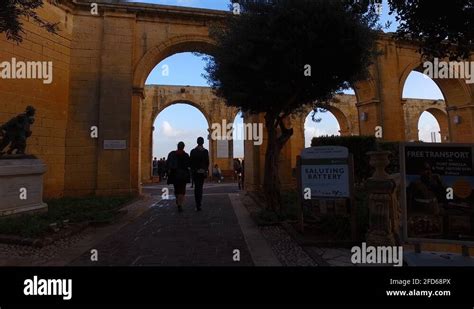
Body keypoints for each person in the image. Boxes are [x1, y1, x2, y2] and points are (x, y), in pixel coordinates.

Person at [167, 142, 191, 213]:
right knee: (182, 190)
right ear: (184, 147)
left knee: (176, 189)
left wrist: (169, 171)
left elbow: (168, 164)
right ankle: (180, 204)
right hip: (183, 175)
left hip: (174, 175)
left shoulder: (172, 154)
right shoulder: (186, 155)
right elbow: (188, 165)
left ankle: (178, 200)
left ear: (177, 146)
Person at [190, 137, 210, 211]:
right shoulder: (205, 151)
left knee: (196, 187)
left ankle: (197, 203)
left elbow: (191, 162)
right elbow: (207, 162)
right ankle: (199, 204)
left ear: (197, 142)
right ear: (203, 142)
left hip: (195, 172)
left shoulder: (193, 151)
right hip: (202, 172)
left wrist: (194, 170)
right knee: (200, 187)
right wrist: (204, 169)